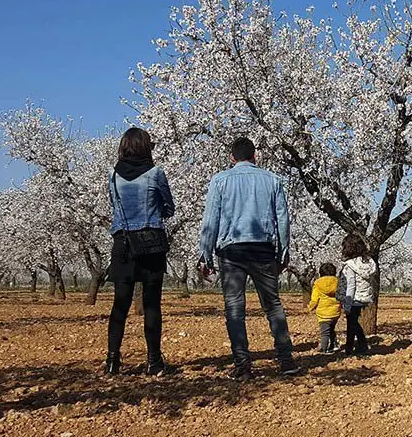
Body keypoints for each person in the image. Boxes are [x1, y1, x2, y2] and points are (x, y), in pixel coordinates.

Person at [198, 137, 300, 381]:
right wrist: (283, 252)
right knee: (273, 305)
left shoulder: (219, 180)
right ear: (255, 157)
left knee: (235, 308)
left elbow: (210, 220)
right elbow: (283, 220)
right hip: (263, 249)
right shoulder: (273, 180)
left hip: (231, 252)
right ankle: (286, 360)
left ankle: (242, 364)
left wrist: (206, 255)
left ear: (232, 158)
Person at [106, 127, 175, 376]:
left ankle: (112, 360)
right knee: (152, 304)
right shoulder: (156, 173)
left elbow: (114, 205)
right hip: (151, 243)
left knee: (119, 305)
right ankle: (154, 361)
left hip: (122, 244)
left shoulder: (113, 175)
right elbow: (169, 207)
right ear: (147, 147)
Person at [339, 234, 376, 356]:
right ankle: (359, 345)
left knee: (351, 324)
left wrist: (347, 304)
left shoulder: (351, 265)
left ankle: (353, 348)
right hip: (364, 296)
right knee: (353, 322)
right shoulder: (368, 262)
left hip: (354, 298)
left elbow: (351, 285)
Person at [307, 263, 341, 354]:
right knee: (331, 329)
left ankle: (324, 349)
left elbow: (314, 299)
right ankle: (334, 345)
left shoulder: (317, 284)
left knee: (324, 332)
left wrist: (310, 307)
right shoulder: (338, 282)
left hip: (323, 314)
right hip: (335, 312)